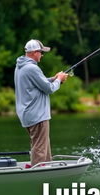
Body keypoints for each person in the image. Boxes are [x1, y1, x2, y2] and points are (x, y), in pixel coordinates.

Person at [14, 39, 68, 167]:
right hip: (37, 115)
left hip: (28, 114)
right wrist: (59, 80)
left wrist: (53, 78)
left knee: (41, 146)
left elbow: (38, 83)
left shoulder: (20, 66)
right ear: (33, 52)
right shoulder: (32, 68)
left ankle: (46, 169)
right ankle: (37, 174)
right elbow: (49, 89)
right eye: (40, 52)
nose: (42, 55)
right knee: (40, 148)